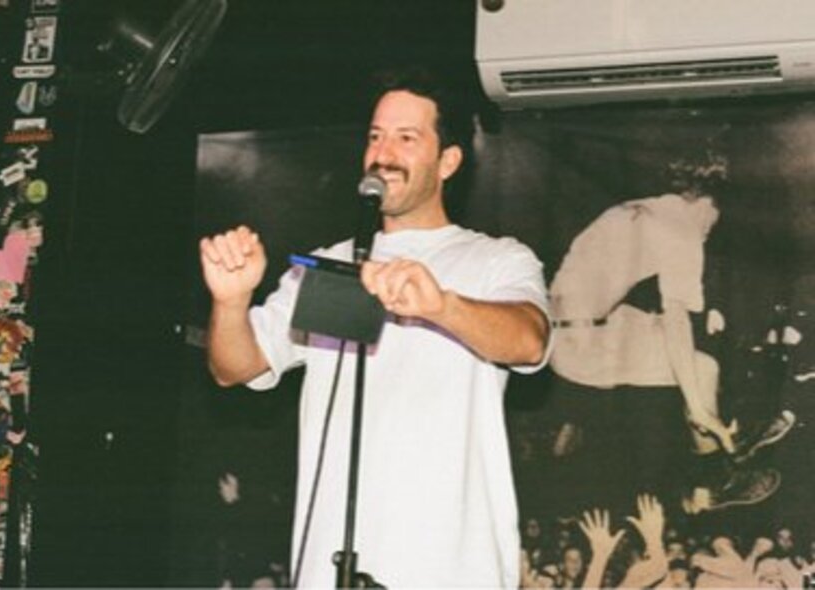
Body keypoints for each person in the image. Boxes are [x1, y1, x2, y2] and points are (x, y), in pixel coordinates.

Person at [199, 68, 551, 588]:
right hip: (328, 566)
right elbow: (235, 367)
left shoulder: (496, 259)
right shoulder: (325, 266)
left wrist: (441, 306)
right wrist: (231, 301)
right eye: (375, 136)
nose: (384, 153)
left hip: (450, 567)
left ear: (448, 160)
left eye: (407, 138)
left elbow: (529, 341)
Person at [548, 148, 794, 513]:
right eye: (714, 219)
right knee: (701, 369)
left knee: (688, 348)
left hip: (583, 326)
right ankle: (712, 482)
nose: (711, 230)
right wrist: (696, 407)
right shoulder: (682, 231)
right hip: (583, 344)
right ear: (706, 203)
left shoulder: (647, 207)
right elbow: (677, 321)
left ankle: (733, 437)